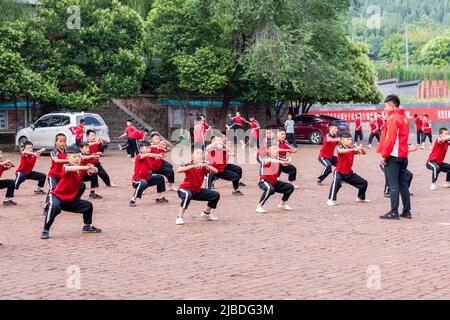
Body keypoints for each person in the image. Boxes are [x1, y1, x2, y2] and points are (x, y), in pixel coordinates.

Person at [40, 152, 101, 240]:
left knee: (88, 205)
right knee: (54, 206)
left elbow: (95, 170)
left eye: (78, 157)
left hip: (69, 200)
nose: (77, 159)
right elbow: (72, 168)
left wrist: (93, 169)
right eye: (74, 157)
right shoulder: (65, 167)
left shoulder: (81, 170)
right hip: (56, 196)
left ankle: (87, 227)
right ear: (68, 159)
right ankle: (45, 230)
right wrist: (86, 167)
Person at [378, 95, 411, 220]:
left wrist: (384, 155)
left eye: (386, 105)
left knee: (393, 185)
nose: (385, 108)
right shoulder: (404, 118)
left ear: (392, 105)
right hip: (403, 155)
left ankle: (394, 212)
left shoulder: (393, 118)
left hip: (393, 156)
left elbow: (390, 139)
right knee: (403, 184)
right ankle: (407, 211)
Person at [176, 148, 220, 225]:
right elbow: (179, 170)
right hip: (184, 189)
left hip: (197, 191)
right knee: (187, 195)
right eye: (197, 153)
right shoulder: (188, 163)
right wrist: (193, 166)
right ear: (192, 155)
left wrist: (205, 165)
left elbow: (216, 171)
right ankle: (179, 217)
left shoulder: (204, 165)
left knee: (215, 195)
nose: (200, 155)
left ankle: (206, 213)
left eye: (201, 153)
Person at [327, 132, 370, 206]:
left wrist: (361, 149)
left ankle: (360, 198)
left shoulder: (351, 148)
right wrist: (353, 149)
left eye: (350, 139)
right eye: (348, 140)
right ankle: (330, 200)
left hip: (349, 173)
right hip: (339, 172)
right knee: (336, 182)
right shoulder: (340, 148)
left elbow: (364, 153)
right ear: (342, 141)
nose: (350, 141)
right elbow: (341, 151)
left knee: (364, 183)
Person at [256, 144, 294, 213]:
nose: (276, 150)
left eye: (276, 148)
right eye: (273, 148)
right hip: (264, 181)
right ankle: (259, 206)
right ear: (268, 150)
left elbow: (287, 162)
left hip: (274, 182)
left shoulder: (277, 158)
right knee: (270, 189)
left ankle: (282, 204)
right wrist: (282, 161)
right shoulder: (265, 157)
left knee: (290, 187)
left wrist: (289, 159)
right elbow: (269, 160)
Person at [129, 141, 167, 207]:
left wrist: (158, 158)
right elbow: (147, 155)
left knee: (160, 178)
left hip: (146, 179)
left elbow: (153, 167)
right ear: (141, 149)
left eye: (149, 148)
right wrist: (158, 155)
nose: (148, 150)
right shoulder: (139, 156)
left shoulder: (149, 157)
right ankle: (133, 200)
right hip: (137, 181)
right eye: (146, 148)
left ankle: (159, 198)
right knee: (143, 182)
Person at [44, 134, 70, 214]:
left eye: (64, 141)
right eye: (60, 141)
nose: (63, 143)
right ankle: (47, 207)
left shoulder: (67, 152)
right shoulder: (53, 152)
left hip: (62, 176)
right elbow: (56, 160)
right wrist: (68, 160)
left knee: (62, 190)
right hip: (53, 175)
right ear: (56, 142)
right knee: (53, 189)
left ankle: (60, 205)